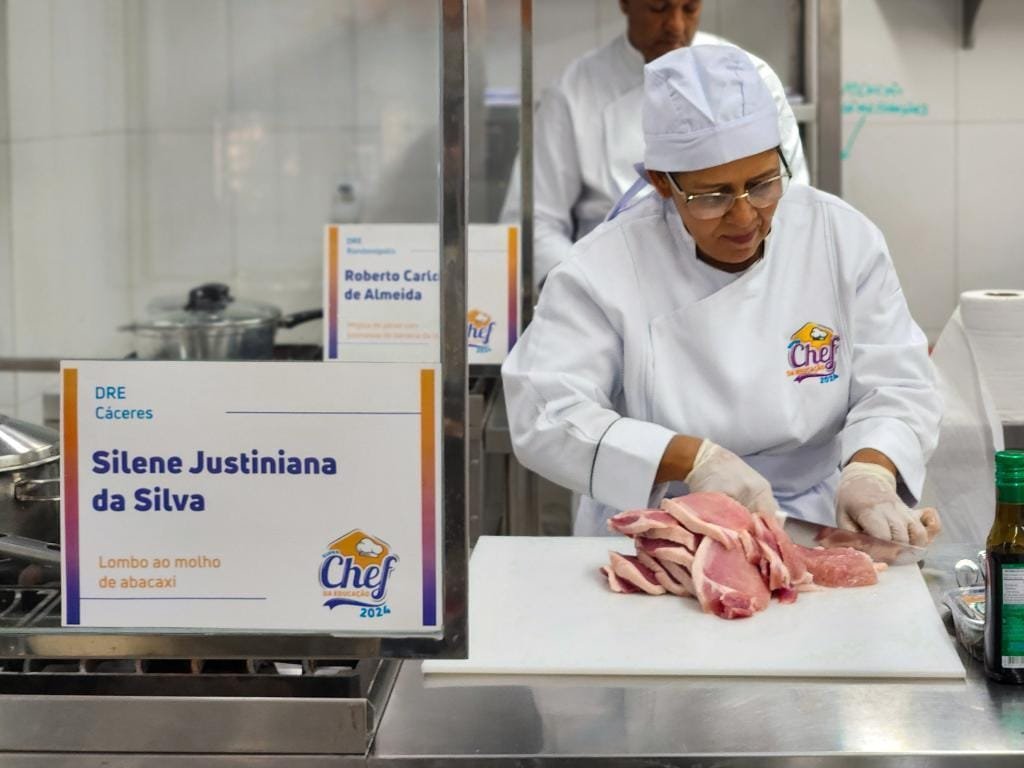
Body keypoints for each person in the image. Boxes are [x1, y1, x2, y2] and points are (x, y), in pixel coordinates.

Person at [501, 44, 943, 545]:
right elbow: (546, 412)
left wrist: (871, 472)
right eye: (712, 196)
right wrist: (695, 460)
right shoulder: (604, 266)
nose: (744, 216)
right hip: (660, 526)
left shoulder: (839, 237)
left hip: (814, 522)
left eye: (762, 184)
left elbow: (898, 383)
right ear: (662, 184)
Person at [502, 0, 808, 289]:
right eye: (658, 7)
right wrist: (586, 295)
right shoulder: (574, 92)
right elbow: (535, 223)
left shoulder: (750, 79)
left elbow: (793, 205)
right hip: (610, 282)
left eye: (690, 8)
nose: (676, 25)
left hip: (741, 286)